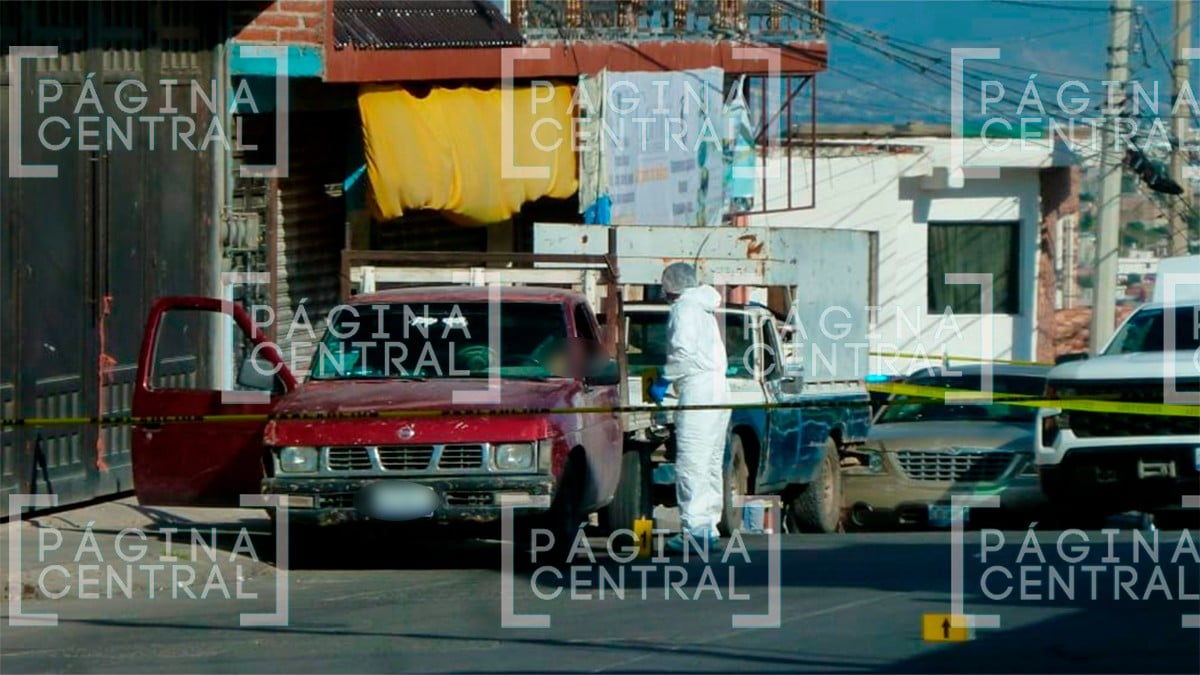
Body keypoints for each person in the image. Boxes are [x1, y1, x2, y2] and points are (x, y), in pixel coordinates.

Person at [647, 262, 731, 552]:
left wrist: (664, 379)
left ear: (670, 286)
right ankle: (707, 527)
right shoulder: (704, 307)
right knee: (709, 461)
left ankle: (694, 531)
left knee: (692, 463)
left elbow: (682, 352)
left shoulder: (684, 308)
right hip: (719, 390)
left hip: (699, 391)